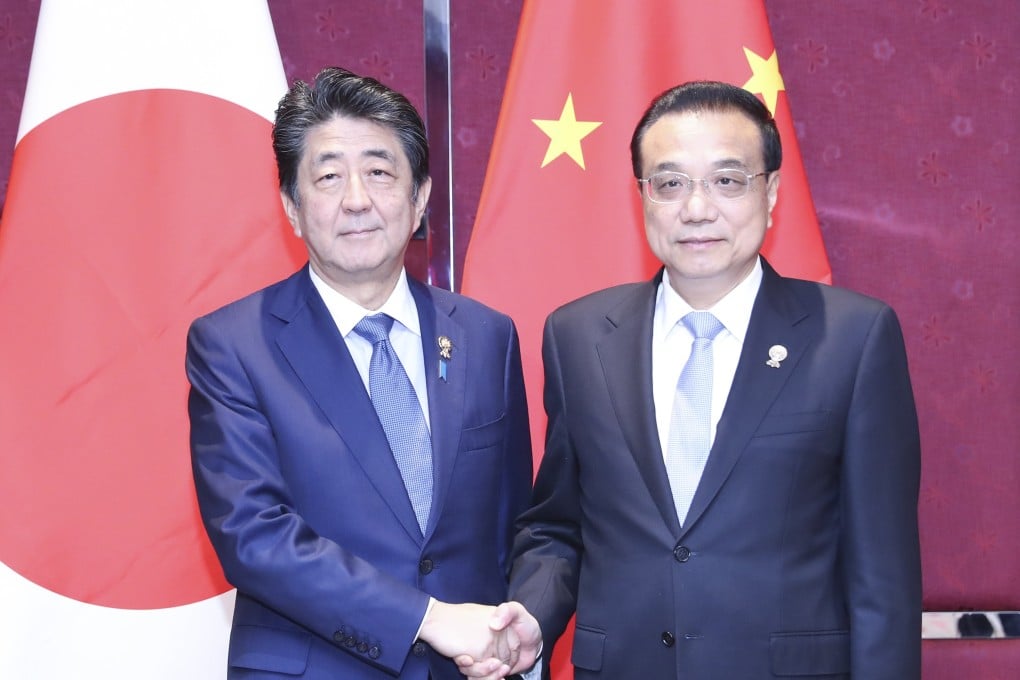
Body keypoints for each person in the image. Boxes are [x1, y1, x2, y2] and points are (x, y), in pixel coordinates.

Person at [506, 81, 922, 678]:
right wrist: (532, 614)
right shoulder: (576, 336)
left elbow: (883, 578)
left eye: (727, 181)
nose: (696, 209)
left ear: (772, 191)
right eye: (670, 183)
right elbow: (558, 524)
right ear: (643, 196)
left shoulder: (853, 338)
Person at [186, 66, 539, 680]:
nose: (356, 198)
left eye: (379, 172)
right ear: (292, 208)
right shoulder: (233, 345)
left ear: (420, 196)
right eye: (327, 177)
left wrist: (514, 631)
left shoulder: (488, 336)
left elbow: (515, 523)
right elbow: (253, 536)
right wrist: (428, 618)